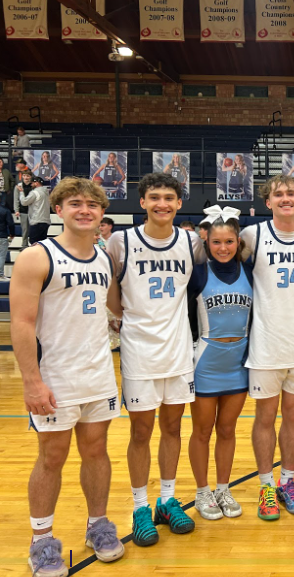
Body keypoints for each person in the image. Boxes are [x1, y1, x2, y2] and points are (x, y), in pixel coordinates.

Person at [10, 177, 125, 577]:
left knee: (97, 452)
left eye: (93, 205)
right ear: (58, 209)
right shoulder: (37, 257)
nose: (85, 210)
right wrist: (31, 381)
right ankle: (41, 540)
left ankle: (98, 525)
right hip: (55, 378)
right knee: (52, 457)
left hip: (98, 375)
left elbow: (117, 309)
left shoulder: (104, 258)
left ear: (101, 214)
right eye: (75, 203)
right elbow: (21, 324)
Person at [106, 173, 206, 547]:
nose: (162, 203)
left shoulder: (191, 242)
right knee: (140, 432)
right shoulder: (122, 241)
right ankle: (140, 506)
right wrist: (128, 318)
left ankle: (166, 500)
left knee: (173, 428)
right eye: (154, 197)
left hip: (179, 349)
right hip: (139, 352)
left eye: (169, 197)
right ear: (142, 202)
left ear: (179, 204)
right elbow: (110, 295)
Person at [239, 175, 294, 520]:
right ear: (268, 202)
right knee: (265, 418)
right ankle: (265, 486)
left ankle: (287, 482)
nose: (286, 198)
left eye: (291, 193)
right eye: (279, 194)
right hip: (265, 345)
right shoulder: (253, 235)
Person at [188, 205, 252, 520]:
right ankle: (202, 492)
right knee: (202, 431)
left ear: (238, 241)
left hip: (239, 363)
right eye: (217, 242)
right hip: (206, 362)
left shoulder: (251, 272)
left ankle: (223, 489)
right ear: (207, 242)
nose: (223, 248)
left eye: (229, 242)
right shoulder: (198, 273)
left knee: (227, 429)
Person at [19, 176, 51, 245]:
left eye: (32, 183)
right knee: (43, 243)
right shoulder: (47, 192)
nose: (31, 185)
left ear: (36, 183)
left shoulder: (35, 192)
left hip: (37, 220)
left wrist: (21, 193)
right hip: (46, 221)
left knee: (33, 242)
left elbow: (24, 202)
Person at [14, 169, 32, 249]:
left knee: (32, 229)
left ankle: (33, 244)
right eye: (24, 176)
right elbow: (16, 199)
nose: (26, 177)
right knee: (25, 229)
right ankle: (24, 245)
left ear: (30, 177)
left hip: (33, 211)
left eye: (28, 176)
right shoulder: (19, 186)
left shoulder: (33, 186)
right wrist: (16, 210)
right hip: (23, 211)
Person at [0, 193, 14, 279]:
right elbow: (11, 224)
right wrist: (12, 233)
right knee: (1, 256)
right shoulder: (5, 210)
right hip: (2, 236)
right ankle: (0, 274)